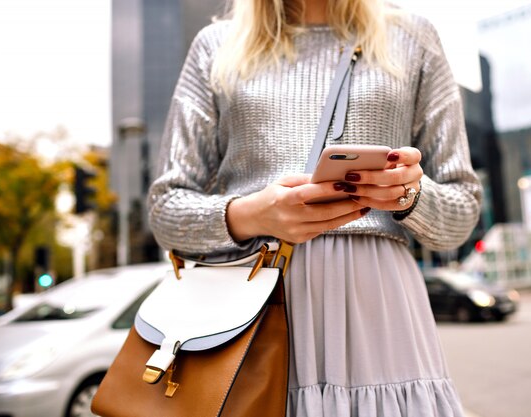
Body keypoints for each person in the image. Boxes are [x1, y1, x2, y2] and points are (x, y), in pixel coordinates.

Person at [148, 0, 482, 415]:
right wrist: (253, 214)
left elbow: (463, 207)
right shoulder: (216, 44)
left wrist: (408, 193)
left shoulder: (412, 36)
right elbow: (166, 208)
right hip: (255, 308)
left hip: (380, 305)